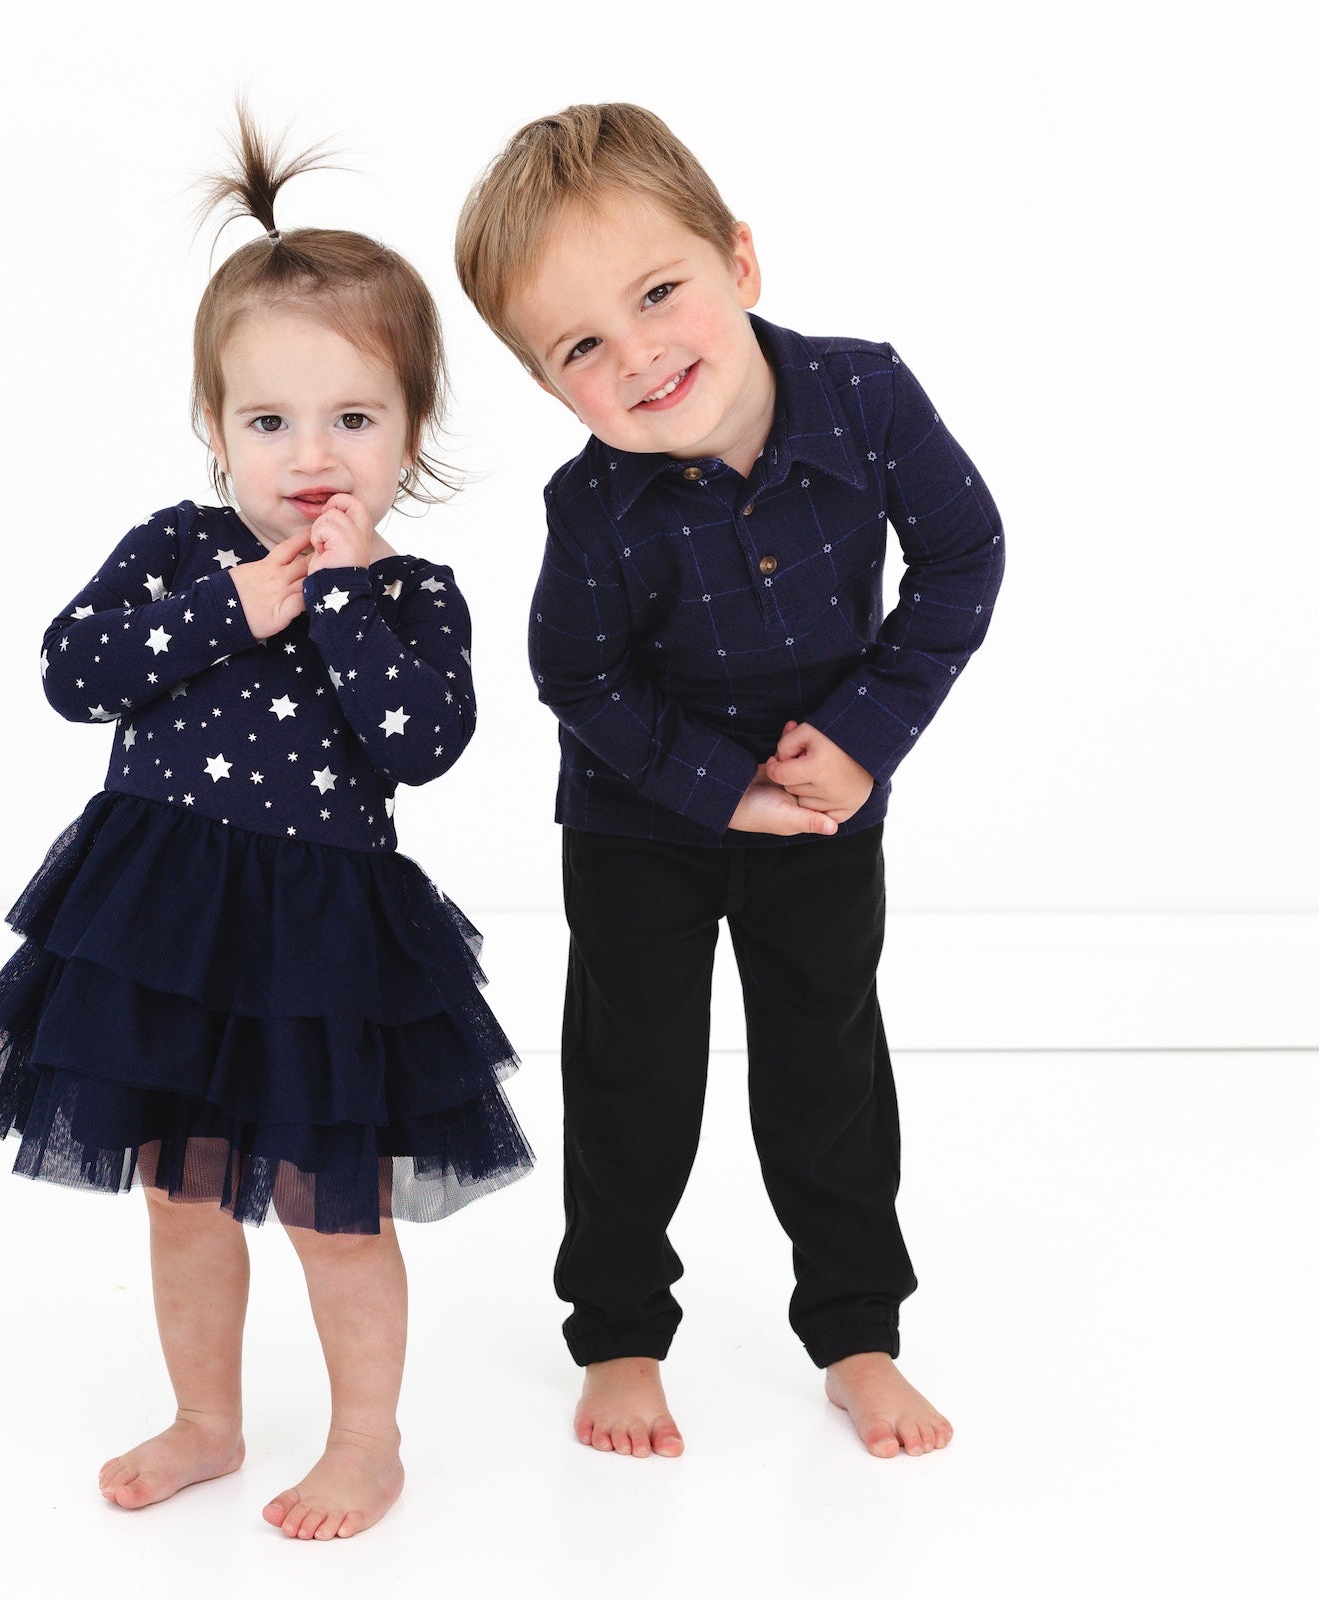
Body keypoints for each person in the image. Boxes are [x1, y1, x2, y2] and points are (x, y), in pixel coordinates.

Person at [0, 108, 532, 1541]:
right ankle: (207, 1416)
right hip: (160, 926)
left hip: (321, 946)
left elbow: (428, 743)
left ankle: (365, 1442)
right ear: (215, 428)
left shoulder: (411, 595)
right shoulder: (180, 550)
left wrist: (336, 592)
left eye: (353, 419)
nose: (308, 455)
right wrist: (234, 603)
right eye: (268, 422)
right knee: (182, 1199)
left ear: (409, 432)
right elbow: (71, 673)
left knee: (338, 1211)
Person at [454, 103, 1003, 1462]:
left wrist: (866, 733)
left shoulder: (867, 395)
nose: (638, 356)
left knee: (825, 1061)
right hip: (642, 821)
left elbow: (962, 560)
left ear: (739, 262)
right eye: (582, 345)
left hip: (824, 810)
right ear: (548, 384)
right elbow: (577, 682)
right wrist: (713, 788)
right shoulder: (593, 510)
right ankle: (622, 1334)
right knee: (635, 1073)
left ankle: (858, 1333)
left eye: (658, 294)